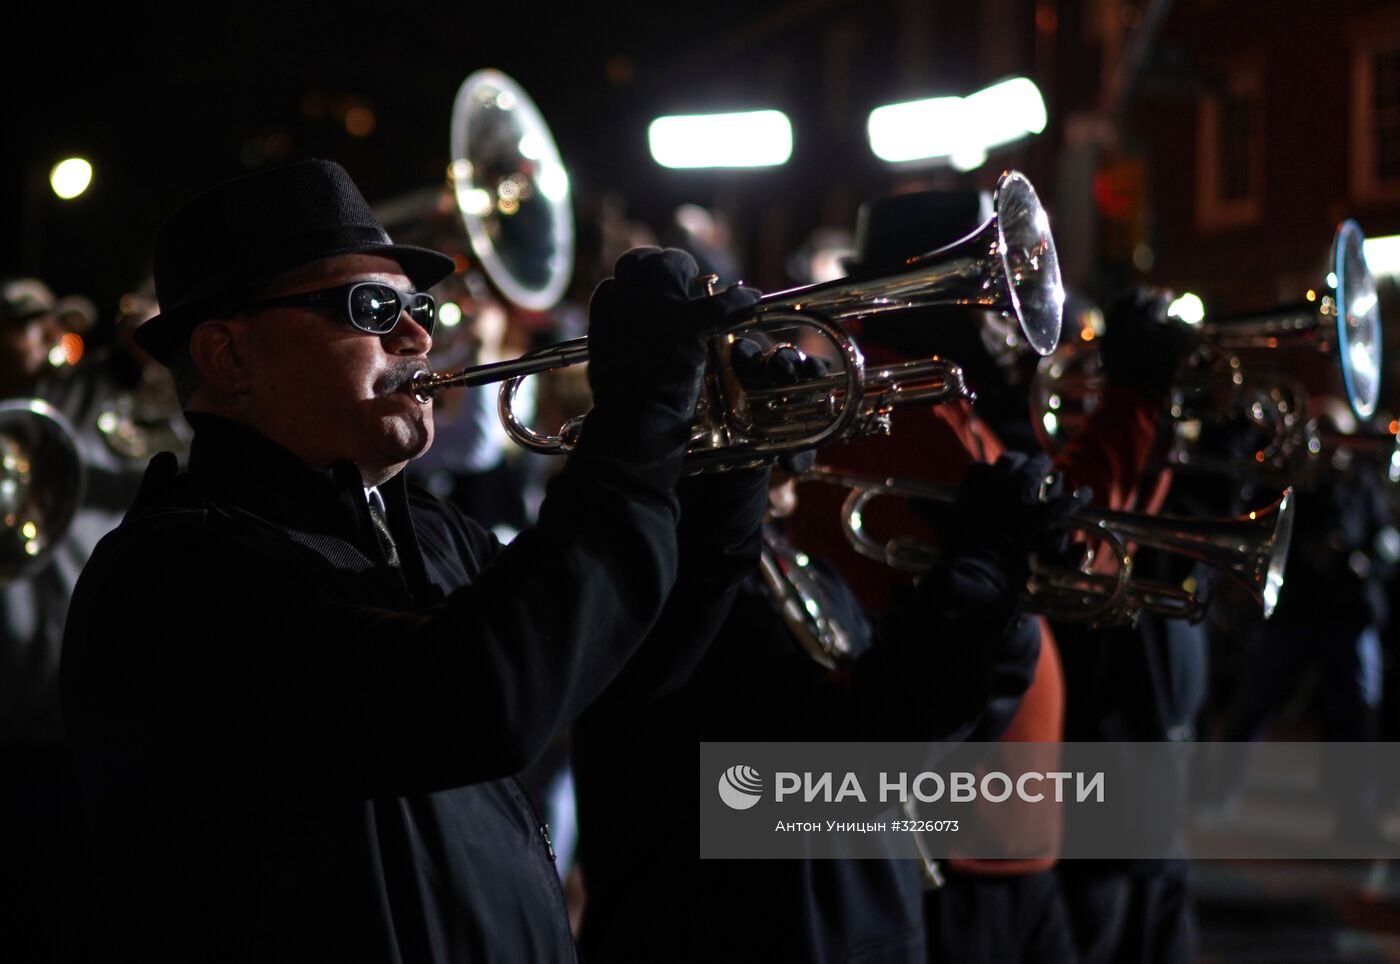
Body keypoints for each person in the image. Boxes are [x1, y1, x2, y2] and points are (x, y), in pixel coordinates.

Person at [60, 159, 766, 963]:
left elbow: (627, 667)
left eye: (417, 306)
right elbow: (482, 699)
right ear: (229, 357)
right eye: (373, 307)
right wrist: (635, 422)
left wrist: (725, 479)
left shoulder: (431, 528)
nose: (419, 334)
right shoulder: (172, 573)